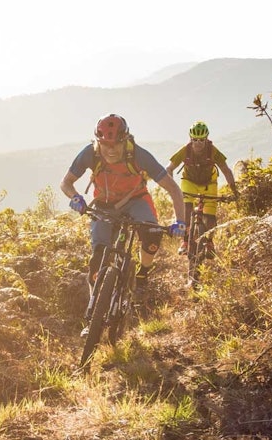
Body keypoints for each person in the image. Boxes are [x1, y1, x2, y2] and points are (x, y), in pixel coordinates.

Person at [60, 113, 186, 314]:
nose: (110, 150)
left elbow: (174, 190)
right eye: (105, 145)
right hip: (103, 204)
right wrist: (75, 198)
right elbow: (66, 183)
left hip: (136, 200)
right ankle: (93, 312)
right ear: (98, 141)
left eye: (116, 145)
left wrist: (180, 221)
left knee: (152, 235)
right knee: (97, 260)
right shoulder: (90, 153)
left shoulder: (139, 155)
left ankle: (143, 272)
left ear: (125, 140)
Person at [166, 121, 239, 255]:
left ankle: (209, 242)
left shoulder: (213, 151)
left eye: (201, 140)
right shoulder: (185, 150)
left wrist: (234, 190)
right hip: (189, 181)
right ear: (190, 139)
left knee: (210, 217)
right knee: (186, 209)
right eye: (195, 140)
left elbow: (226, 170)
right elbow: (169, 168)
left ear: (206, 139)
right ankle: (185, 240)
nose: (198, 143)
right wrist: (172, 187)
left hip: (209, 183)